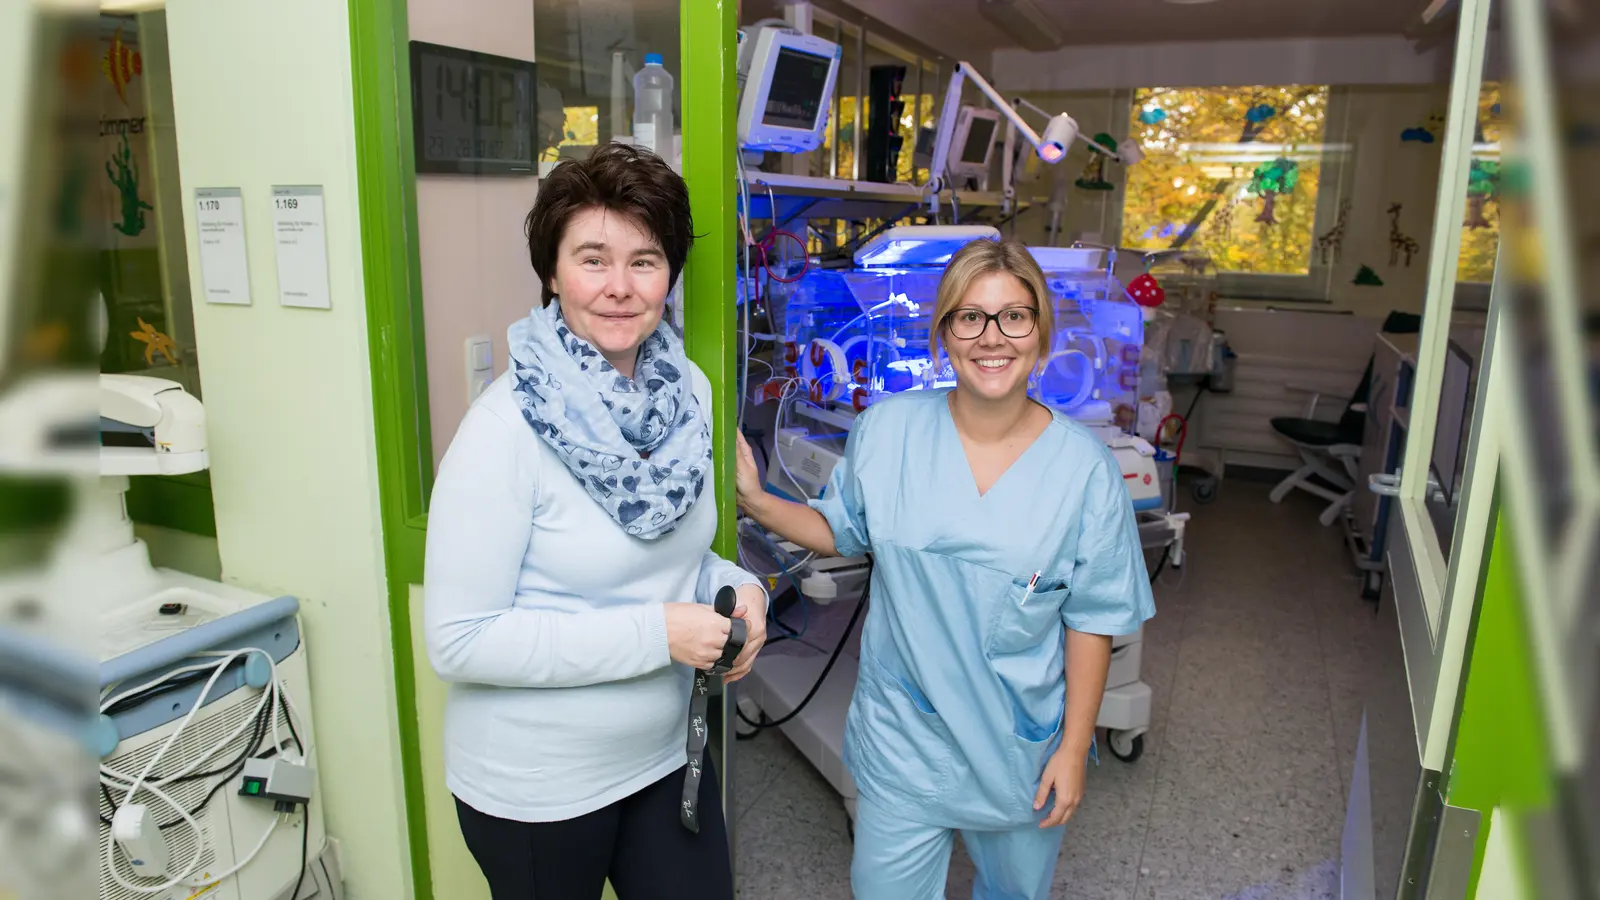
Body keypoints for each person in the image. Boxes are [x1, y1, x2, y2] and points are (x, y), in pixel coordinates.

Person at [735, 238, 1156, 899]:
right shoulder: (889, 431)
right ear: (944, 334)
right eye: (970, 317)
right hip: (905, 739)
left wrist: (1074, 749)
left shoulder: (1085, 472)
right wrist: (757, 499)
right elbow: (838, 530)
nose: (992, 337)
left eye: (1013, 316)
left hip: (1018, 746)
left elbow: (1092, 621)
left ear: (1041, 332)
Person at [424, 142, 765, 900]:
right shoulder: (505, 426)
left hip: (667, 754)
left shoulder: (688, 395)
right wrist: (658, 634)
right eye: (592, 259)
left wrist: (743, 588)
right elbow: (459, 638)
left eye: (644, 261)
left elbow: (679, 558)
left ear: (669, 275)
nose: (619, 288)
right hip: (540, 788)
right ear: (552, 272)